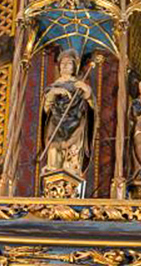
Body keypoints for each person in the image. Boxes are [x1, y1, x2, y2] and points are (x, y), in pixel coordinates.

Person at [40, 50, 93, 190]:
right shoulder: (52, 87)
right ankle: (53, 184)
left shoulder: (79, 86)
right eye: (62, 63)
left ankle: (71, 185)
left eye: (69, 63)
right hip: (55, 125)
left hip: (75, 126)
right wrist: (53, 94)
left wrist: (87, 92)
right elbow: (45, 111)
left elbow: (92, 110)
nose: (65, 66)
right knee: (53, 152)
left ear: (74, 67)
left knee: (72, 155)